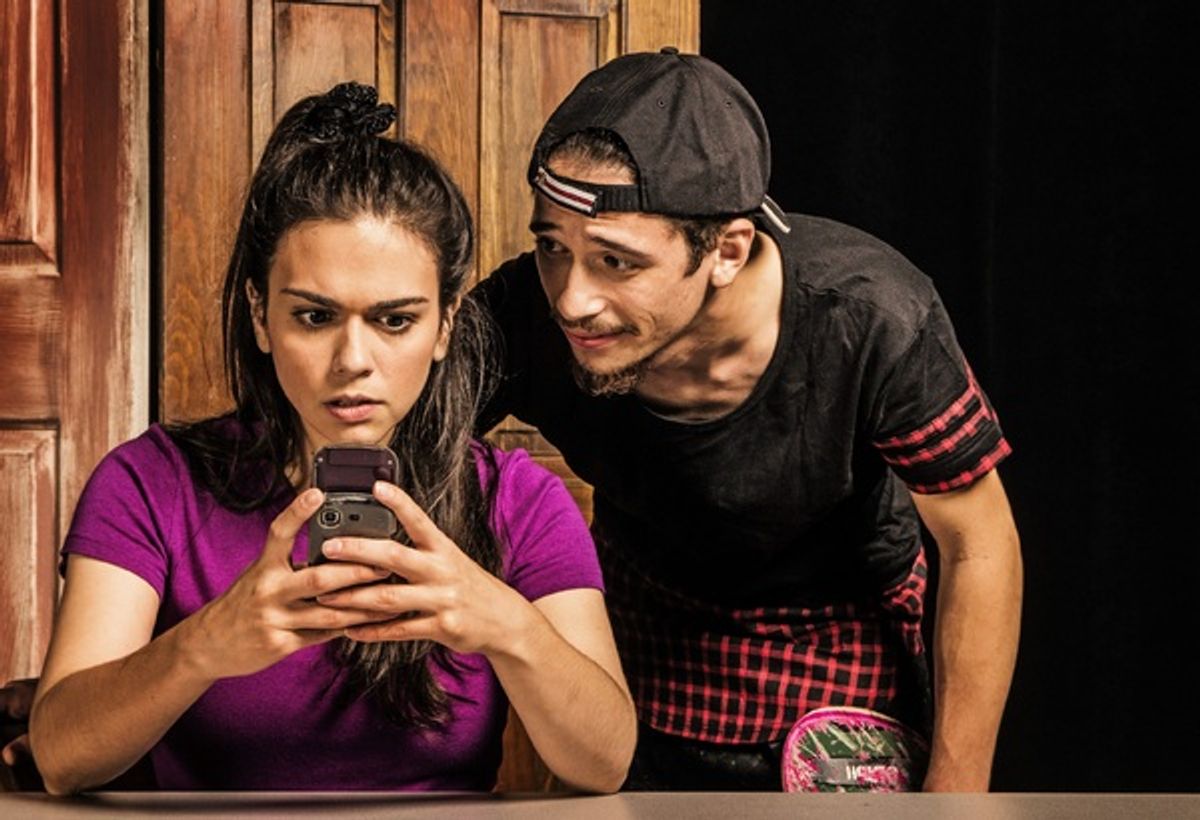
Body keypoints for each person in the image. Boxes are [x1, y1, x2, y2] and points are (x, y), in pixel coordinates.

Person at [26, 82, 635, 795]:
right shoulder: (151, 482)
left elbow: (604, 764)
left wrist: (505, 625)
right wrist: (204, 644)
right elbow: (63, 758)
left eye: (395, 320)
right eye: (315, 318)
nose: (353, 361)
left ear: (444, 326)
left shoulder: (516, 500)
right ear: (260, 316)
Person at [473, 48, 1022, 791]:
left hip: (839, 661)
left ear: (727, 249)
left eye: (617, 262)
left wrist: (955, 797)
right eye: (552, 248)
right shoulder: (525, 317)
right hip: (643, 646)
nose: (572, 298)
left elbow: (979, 545)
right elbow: (386, 420)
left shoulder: (871, 317)